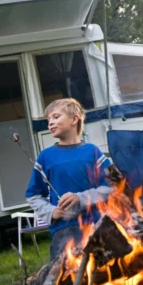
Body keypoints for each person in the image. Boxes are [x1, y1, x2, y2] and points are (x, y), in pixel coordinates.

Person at [25, 98, 113, 260]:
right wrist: (52, 212)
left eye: (56, 117)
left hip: (97, 224)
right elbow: (33, 195)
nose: (50, 122)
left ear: (74, 119)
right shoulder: (45, 157)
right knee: (67, 278)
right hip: (64, 231)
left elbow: (112, 187)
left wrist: (79, 198)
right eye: (48, 120)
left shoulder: (92, 152)